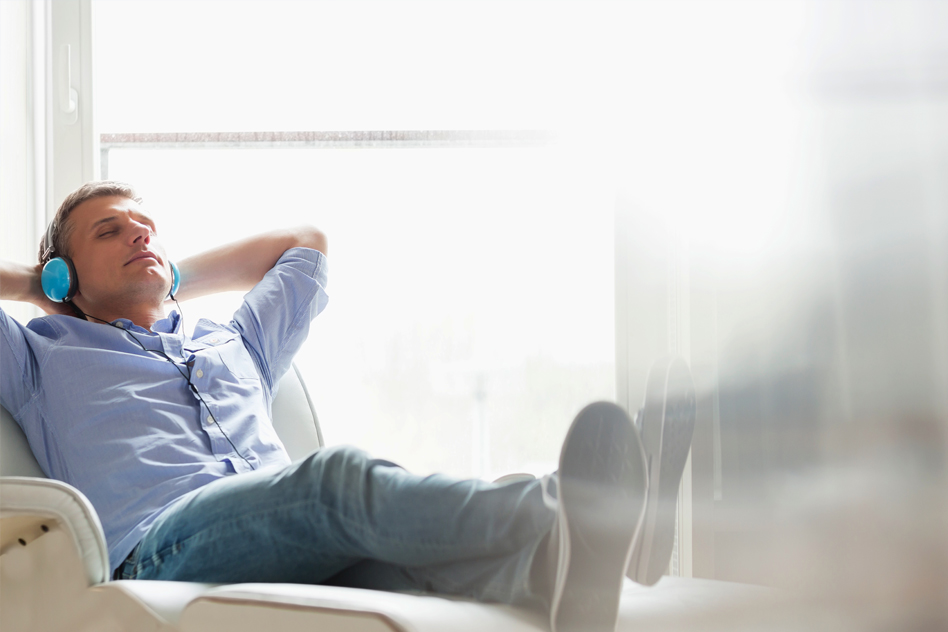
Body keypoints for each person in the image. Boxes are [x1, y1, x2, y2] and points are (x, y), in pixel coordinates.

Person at [0, 180, 694, 632]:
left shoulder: (233, 343)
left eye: (147, 226)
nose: (140, 236)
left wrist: (171, 275)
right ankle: (586, 509)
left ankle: (562, 564)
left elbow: (305, 245)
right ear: (64, 275)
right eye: (110, 231)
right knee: (336, 482)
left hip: (282, 532)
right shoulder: (40, 357)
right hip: (161, 548)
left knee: (403, 572)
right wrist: (40, 288)